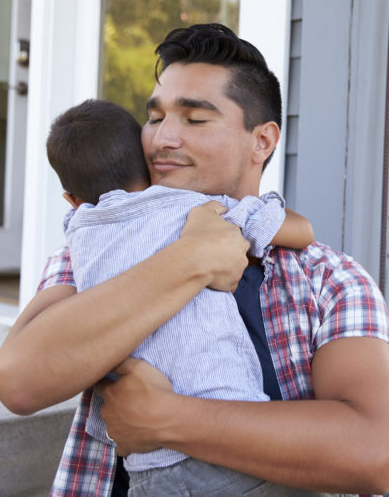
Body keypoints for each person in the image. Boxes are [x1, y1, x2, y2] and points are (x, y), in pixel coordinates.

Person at [0, 23, 389, 497]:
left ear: (263, 142)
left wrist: (165, 419)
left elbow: (375, 453)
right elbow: (20, 382)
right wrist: (190, 259)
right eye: (154, 117)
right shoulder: (91, 249)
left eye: (194, 120)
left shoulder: (329, 280)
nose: (161, 139)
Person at [45, 97, 316, 495]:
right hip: (232, 440)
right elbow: (298, 231)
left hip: (146, 465)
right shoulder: (192, 207)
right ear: (148, 165)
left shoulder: (77, 238)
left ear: (71, 200)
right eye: (155, 120)